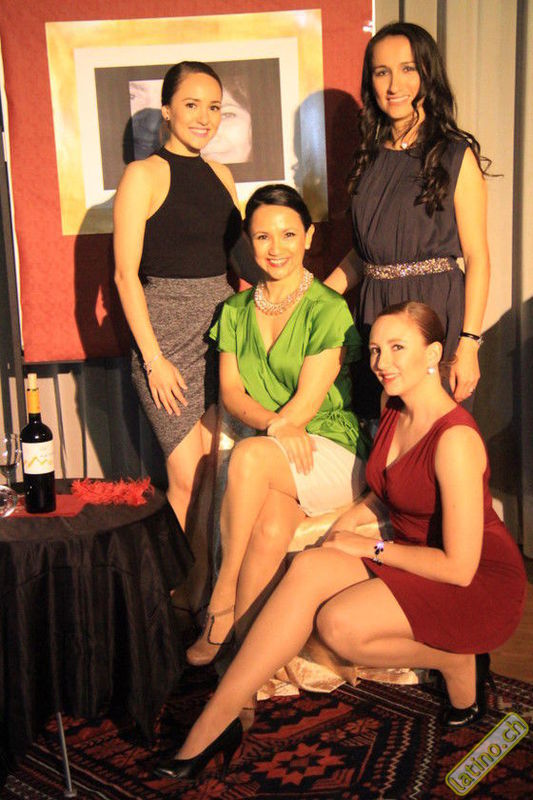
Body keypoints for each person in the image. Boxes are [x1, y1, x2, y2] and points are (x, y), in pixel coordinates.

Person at [155, 301, 526, 781]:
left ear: (434, 353)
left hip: (474, 583)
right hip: (414, 558)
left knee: (338, 626)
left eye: (397, 348)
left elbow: (459, 567)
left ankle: (456, 659)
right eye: (375, 350)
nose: (382, 362)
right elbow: (384, 489)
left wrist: (369, 547)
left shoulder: (455, 440)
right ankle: (219, 718)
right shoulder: (394, 407)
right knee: (309, 565)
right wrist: (343, 529)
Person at [185, 184, 369, 667]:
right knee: (268, 528)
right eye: (262, 236)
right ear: (248, 242)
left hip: (327, 447)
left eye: (288, 234)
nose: (276, 248)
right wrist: (275, 428)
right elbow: (231, 394)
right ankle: (248, 664)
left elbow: (306, 406)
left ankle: (221, 599)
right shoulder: (234, 311)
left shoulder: (327, 307)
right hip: (275, 450)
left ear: (308, 237)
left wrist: (278, 432)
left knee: (247, 456)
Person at [113, 61, 255, 531]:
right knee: (187, 480)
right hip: (165, 342)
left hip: (219, 338)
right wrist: (154, 359)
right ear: (167, 110)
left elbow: (242, 263)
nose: (204, 117)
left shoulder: (222, 175)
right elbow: (125, 276)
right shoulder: (142, 175)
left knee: (214, 476)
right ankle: (174, 576)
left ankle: (203, 573)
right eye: (192, 105)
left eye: (214, 107)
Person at [325, 22, 491, 416]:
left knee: (432, 430)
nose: (394, 85)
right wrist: (315, 299)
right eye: (382, 72)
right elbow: (365, 254)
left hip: (433, 312)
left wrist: (469, 343)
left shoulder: (455, 155)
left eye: (407, 69)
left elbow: (478, 258)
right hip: (374, 316)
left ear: (427, 74)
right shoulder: (368, 157)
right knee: (380, 432)